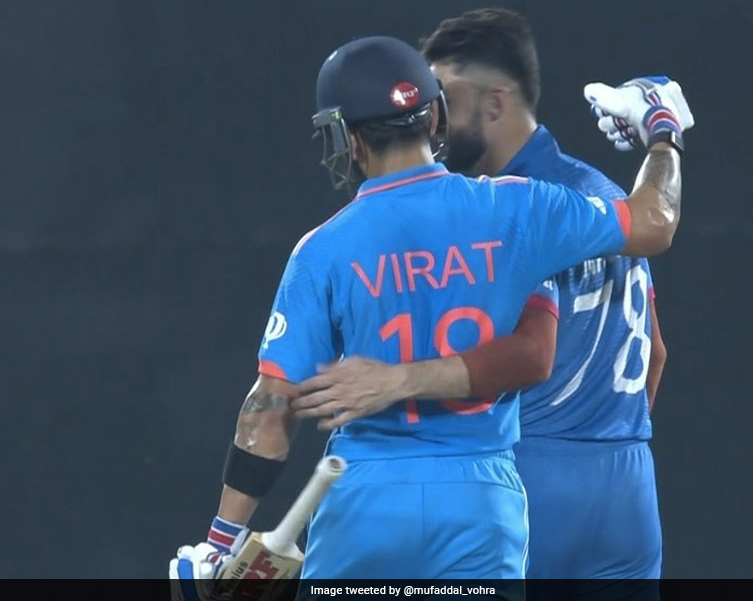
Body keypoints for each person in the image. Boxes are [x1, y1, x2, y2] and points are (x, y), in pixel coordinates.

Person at [170, 32, 684, 587]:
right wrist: (663, 132)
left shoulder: (322, 250)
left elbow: (270, 407)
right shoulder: (518, 207)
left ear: (345, 138)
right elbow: (654, 222)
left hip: (365, 500)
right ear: (435, 115)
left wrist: (221, 541)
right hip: (482, 502)